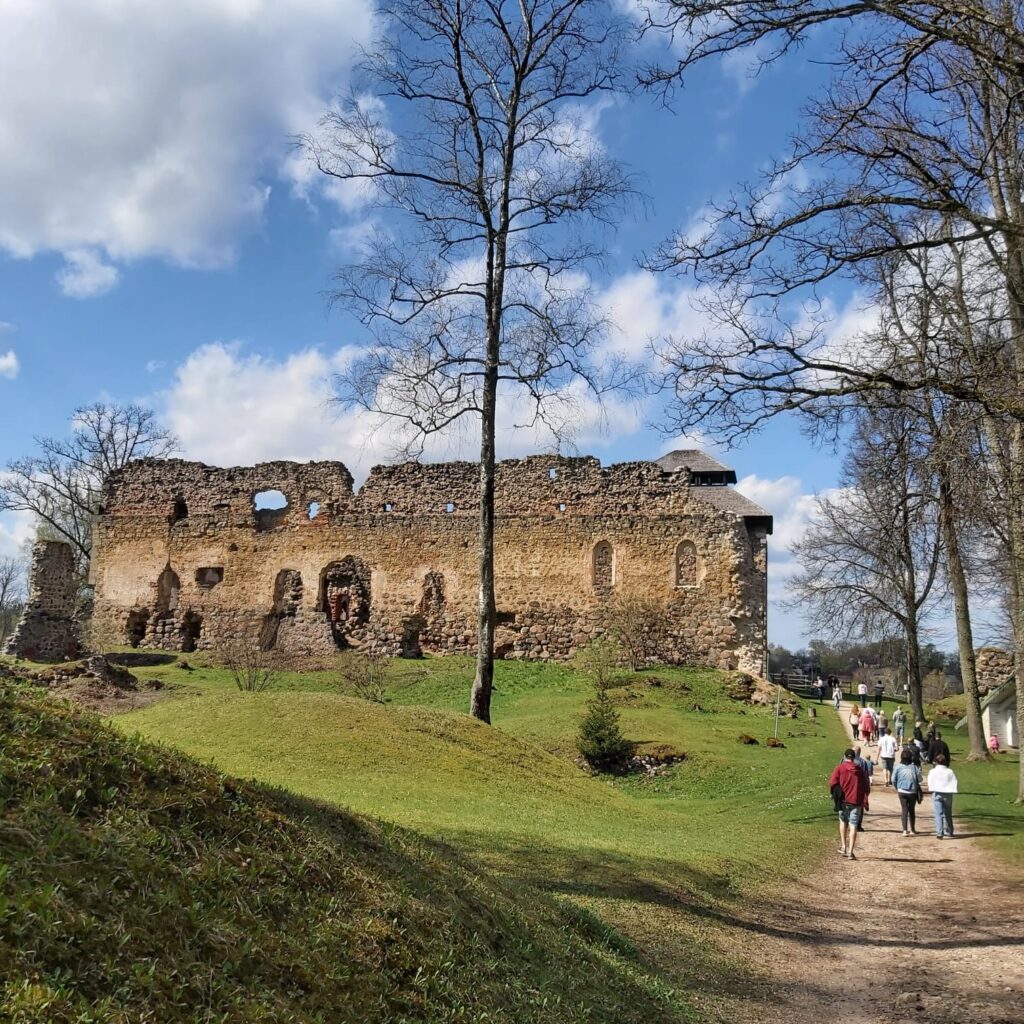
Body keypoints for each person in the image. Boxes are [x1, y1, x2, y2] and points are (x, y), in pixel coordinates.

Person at [830, 748, 869, 859]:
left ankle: (843, 846)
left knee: (843, 822)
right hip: (856, 801)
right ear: (854, 757)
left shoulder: (839, 768)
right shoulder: (860, 770)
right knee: (853, 825)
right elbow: (866, 786)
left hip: (843, 800)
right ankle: (851, 852)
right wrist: (864, 797)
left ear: (845, 757)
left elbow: (833, 783)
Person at [892, 747, 923, 836]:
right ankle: (912, 829)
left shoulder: (898, 767)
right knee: (912, 810)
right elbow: (920, 779)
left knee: (904, 809)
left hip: (901, 790)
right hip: (912, 791)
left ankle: (905, 830)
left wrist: (897, 787)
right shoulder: (914, 767)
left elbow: (893, 779)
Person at [927, 754, 958, 839]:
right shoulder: (949, 771)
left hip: (937, 793)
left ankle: (939, 832)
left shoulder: (933, 771)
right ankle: (950, 830)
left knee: (938, 813)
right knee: (948, 813)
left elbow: (930, 781)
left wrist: (931, 788)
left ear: (936, 762)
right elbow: (954, 781)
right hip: (947, 793)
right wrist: (953, 790)